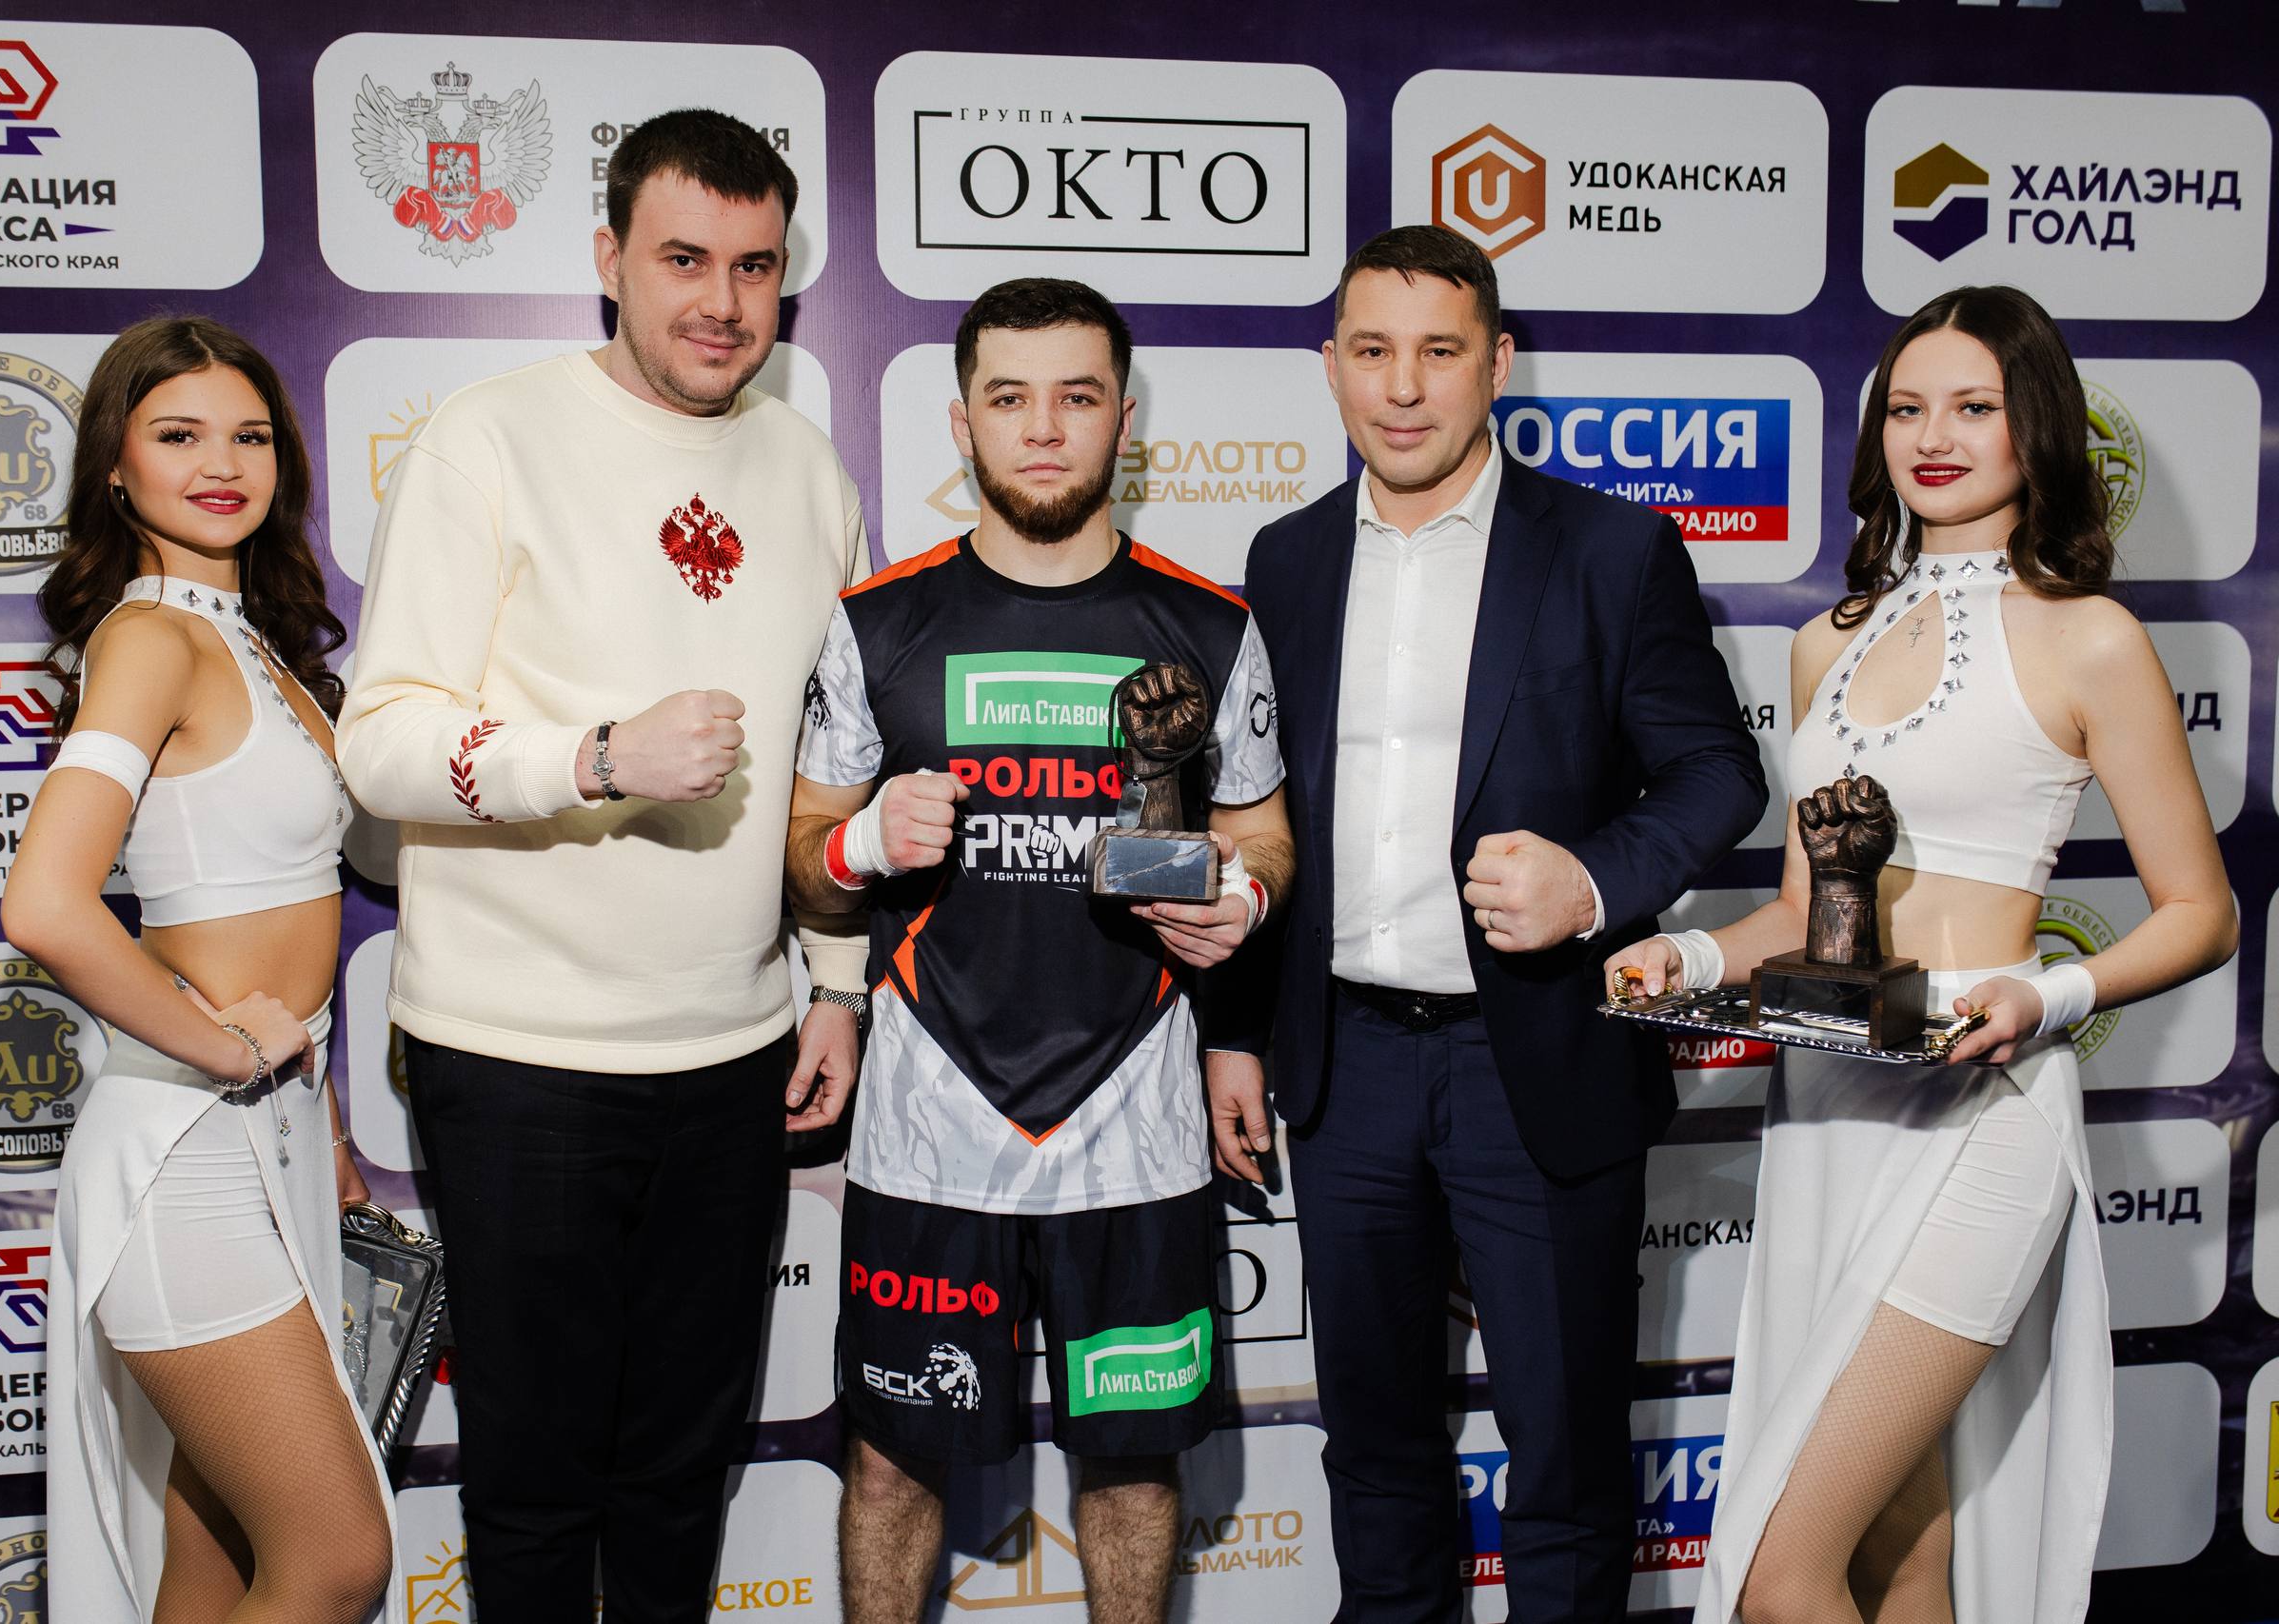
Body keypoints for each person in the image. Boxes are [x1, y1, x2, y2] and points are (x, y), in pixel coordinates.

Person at [1611, 286, 2236, 1624]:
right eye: (1906, 408)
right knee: (1899, 1547)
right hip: (1830, 1109)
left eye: (1973, 407)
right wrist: (1691, 960)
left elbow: (2202, 909)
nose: (1933, 436)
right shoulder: (1823, 643)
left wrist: (2048, 993)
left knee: (1779, 1574)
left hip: (1983, 1113)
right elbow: (1804, 917)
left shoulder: (2092, 636)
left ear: (2035, 428)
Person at [333, 109, 870, 1623]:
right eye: (684, 259)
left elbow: (832, 760)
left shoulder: (809, 471)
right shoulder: (489, 438)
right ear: (608, 261)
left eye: (755, 266)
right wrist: (592, 756)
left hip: (735, 1051)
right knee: (534, 1476)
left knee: (682, 1470)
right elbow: (379, 745)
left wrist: (837, 981)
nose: (724, 302)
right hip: (520, 1053)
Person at [1205, 225, 1765, 1623]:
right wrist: (1235, 1032)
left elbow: (1718, 772)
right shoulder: (1284, 560)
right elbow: (1259, 818)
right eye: (1373, 351)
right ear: (1331, 365)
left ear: (1498, 363)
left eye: (1439, 352)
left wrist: (1592, 881)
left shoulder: (1612, 549)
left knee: (1565, 1462)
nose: (1403, 388)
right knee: (1374, 1452)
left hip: (1545, 1061)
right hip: (1343, 1072)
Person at [789, 278, 1293, 1624]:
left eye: (1078, 396)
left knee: (1131, 1464)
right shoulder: (877, 620)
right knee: (892, 1460)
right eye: (1010, 398)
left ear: (1125, 417)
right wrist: (863, 845)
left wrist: (1243, 900)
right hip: (929, 1123)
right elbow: (803, 850)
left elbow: (1263, 836)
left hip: (1137, 1126)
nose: (1046, 428)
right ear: (963, 424)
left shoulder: (1212, 623)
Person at [10, 316, 397, 1623]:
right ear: (116, 467)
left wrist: (320, 1126)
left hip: (273, 1145)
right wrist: (223, 1048)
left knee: (217, 1558)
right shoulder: (151, 638)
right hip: (185, 1158)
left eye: (249, 435)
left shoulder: (256, 640)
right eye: (178, 434)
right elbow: (46, 904)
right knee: (336, 1559)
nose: (222, 463)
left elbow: (284, 923)